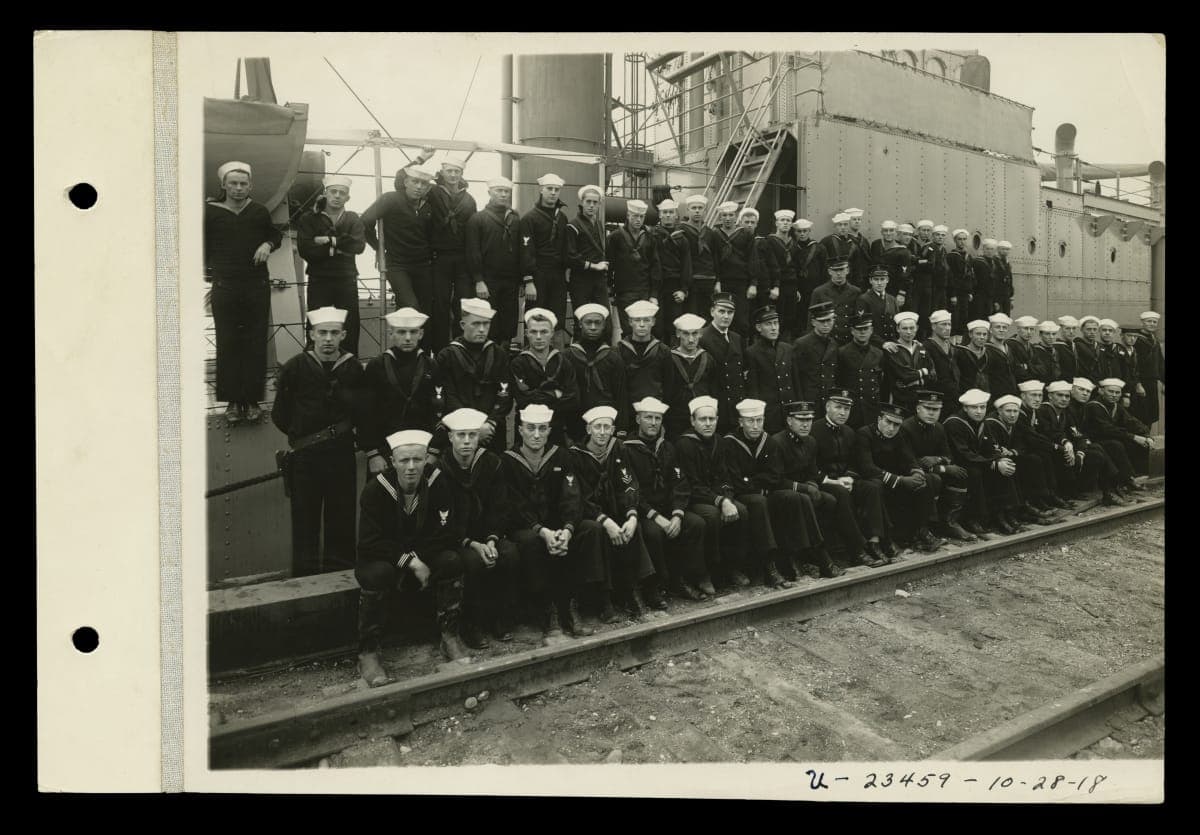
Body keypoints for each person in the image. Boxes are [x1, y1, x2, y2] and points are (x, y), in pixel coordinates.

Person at [355, 428, 468, 687]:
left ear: (426, 459)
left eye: (417, 459)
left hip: (423, 555)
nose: (410, 467)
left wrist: (419, 557)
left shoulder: (437, 482)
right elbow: (371, 542)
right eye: (404, 460)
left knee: (451, 560)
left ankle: (450, 636)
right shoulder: (375, 489)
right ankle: (368, 652)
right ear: (392, 461)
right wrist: (410, 562)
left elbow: (445, 532)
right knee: (377, 574)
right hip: (386, 558)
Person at [272, 306, 365, 577]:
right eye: (322, 333)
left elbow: (361, 409)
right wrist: (303, 434)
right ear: (311, 334)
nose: (328, 339)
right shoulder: (295, 367)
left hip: (341, 455)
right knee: (304, 520)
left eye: (334, 333)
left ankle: (341, 577)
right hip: (306, 458)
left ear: (343, 335)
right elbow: (280, 414)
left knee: (342, 517)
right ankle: (305, 579)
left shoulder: (353, 368)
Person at [502, 404, 603, 643]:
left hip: (558, 526)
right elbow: (514, 505)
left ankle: (572, 605)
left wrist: (567, 529)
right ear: (520, 430)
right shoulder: (508, 461)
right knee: (531, 542)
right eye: (531, 428)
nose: (536, 435)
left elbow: (572, 495)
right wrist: (542, 531)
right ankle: (549, 612)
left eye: (542, 429)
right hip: (527, 527)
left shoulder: (562, 456)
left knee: (590, 529)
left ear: (549, 431)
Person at [204, 160, 282, 423]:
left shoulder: (258, 211)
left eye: (243, 184)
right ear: (224, 185)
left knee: (254, 342)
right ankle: (233, 402)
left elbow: (275, 235)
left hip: (256, 286)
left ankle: (251, 401)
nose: (238, 188)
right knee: (228, 342)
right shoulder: (210, 212)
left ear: (250, 186)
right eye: (233, 183)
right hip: (225, 287)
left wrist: (267, 244)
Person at [436, 408, 521, 648]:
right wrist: (473, 544)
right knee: (473, 562)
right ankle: (471, 624)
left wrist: (492, 540)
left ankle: (500, 618)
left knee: (509, 553)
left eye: (472, 435)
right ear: (450, 437)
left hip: (488, 535)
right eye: (460, 435)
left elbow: (500, 506)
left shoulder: (491, 463)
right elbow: (443, 518)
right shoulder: (440, 469)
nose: (466, 441)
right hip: (457, 539)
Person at [571, 405, 664, 619]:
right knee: (596, 531)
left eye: (607, 427)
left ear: (613, 430)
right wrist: (605, 521)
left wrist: (632, 514)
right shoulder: (576, 455)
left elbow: (628, 483)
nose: (602, 432)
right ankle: (603, 598)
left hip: (615, 509)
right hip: (589, 515)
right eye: (598, 427)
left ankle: (633, 590)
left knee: (632, 526)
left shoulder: (618, 448)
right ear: (588, 429)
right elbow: (579, 497)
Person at [622, 397, 713, 599]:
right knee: (654, 533)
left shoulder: (668, 448)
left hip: (669, 508)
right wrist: (656, 517)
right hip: (644, 512)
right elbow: (630, 490)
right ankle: (655, 586)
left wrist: (677, 514)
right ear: (638, 419)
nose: (653, 423)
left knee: (695, 524)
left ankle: (685, 578)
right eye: (648, 417)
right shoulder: (626, 449)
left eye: (657, 418)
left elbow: (680, 483)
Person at [760, 401, 846, 578]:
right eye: (800, 420)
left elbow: (812, 472)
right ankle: (820, 559)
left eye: (809, 420)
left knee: (829, 500)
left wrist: (812, 484)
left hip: (801, 491)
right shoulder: (777, 442)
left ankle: (810, 554)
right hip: (778, 493)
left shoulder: (810, 441)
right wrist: (805, 488)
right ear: (789, 421)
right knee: (802, 499)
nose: (806, 424)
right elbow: (776, 480)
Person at [715, 398, 794, 589]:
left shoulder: (769, 441)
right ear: (740, 422)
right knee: (759, 502)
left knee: (790, 498)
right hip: (739, 495)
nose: (756, 426)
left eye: (759, 420)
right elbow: (734, 480)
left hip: (761, 491)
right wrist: (758, 483)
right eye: (750, 421)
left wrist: (751, 481)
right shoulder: (729, 443)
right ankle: (769, 567)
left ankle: (791, 558)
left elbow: (776, 475)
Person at [674, 395, 751, 588]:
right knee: (712, 516)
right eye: (702, 419)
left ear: (717, 420)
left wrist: (727, 499)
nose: (708, 423)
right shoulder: (684, 445)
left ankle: (733, 566)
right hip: (694, 499)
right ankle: (705, 572)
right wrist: (720, 501)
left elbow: (726, 478)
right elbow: (690, 485)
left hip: (717, 496)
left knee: (741, 511)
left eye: (712, 419)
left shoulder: (720, 442)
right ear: (693, 421)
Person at [810, 390, 893, 566]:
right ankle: (857, 550)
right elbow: (810, 466)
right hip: (825, 482)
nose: (843, 413)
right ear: (827, 407)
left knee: (872, 487)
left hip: (846, 480)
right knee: (841, 493)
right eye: (838, 407)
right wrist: (833, 481)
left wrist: (850, 478)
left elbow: (857, 462)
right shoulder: (814, 430)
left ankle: (874, 542)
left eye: (846, 409)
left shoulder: (849, 432)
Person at [361, 163, 437, 341]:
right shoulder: (390, 199)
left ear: (428, 188)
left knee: (425, 312)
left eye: (424, 184)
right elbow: (364, 222)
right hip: (397, 265)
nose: (419, 187)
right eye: (415, 181)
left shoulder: (428, 206)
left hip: (423, 265)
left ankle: (419, 353)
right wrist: (378, 248)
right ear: (405, 182)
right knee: (411, 307)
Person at [362, 308, 441, 477]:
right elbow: (366, 413)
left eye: (413, 332)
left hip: (422, 447)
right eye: (401, 332)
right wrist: (373, 454)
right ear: (391, 334)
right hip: (385, 449)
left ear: (421, 334)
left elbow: (439, 410)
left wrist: (434, 450)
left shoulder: (431, 366)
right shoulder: (376, 366)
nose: (407, 338)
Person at [296, 174, 367, 356]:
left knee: (349, 324)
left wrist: (329, 241)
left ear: (347, 197)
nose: (337, 196)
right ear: (325, 193)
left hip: (346, 279)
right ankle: (313, 364)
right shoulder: (309, 218)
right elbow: (306, 249)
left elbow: (358, 246)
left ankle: (349, 364)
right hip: (319, 279)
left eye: (342, 193)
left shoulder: (352, 218)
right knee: (316, 322)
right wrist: (340, 248)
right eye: (333, 191)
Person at [858, 404, 940, 553]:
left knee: (926, 480)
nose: (891, 428)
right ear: (879, 419)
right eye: (888, 422)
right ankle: (887, 540)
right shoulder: (865, 434)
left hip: (895, 480)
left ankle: (922, 531)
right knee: (877, 487)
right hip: (875, 480)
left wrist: (916, 473)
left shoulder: (898, 435)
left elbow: (908, 458)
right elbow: (867, 468)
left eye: (896, 424)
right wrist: (901, 480)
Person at [435, 298, 513, 452]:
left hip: (491, 431)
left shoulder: (499, 354)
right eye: (476, 324)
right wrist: (472, 426)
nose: (482, 329)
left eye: (486, 324)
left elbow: (505, 393)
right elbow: (447, 395)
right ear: (462, 325)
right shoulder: (447, 355)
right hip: (459, 429)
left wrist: (491, 422)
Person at [464, 176, 534, 346]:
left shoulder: (515, 219)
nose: (503, 194)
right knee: (490, 322)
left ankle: (504, 357)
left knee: (509, 323)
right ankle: (488, 357)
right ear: (490, 192)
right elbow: (473, 252)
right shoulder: (478, 219)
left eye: (506, 191)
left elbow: (522, 250)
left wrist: (523, 280)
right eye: (499, 191)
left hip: (510, 281)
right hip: (488, 281)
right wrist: (479, 280)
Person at [944, 388, 1024, 535]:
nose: (979, 411)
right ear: (965, 408)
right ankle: (973, 518)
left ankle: (1004, 514)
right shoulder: (954, 423)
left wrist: (999, 459)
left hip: (977, 461)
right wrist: (992, 463)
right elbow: (963, 454)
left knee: (1005, 465)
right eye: (974, 407)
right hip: (957, 464)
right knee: (975, 473)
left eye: (982, 407)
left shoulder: (982, 422)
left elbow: (990, 446)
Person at [1038, 379, 1127, 507]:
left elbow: (1076, 433)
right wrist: (1066, 443)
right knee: (1094, 451)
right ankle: (1107, 489)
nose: (1064, 399)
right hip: (1049, 449)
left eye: (1066, 396)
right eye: (1060, 395)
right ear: (1050, 396)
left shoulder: (1064, 412)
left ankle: (1107, 489)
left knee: (1096, 451)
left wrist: (1080, 451)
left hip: (1065, 447)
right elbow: (1049, 432)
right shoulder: (1043, 410)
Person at [900, 390, 975, 541]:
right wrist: (942, 467)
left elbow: (948, 456)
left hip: (932, 469)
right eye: (928, 408)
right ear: (918, 408)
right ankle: (923, 528)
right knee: (931, 479)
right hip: (910, 472)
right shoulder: (906, 428)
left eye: (936, 409)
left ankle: (949, 522)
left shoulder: (939, 428)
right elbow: (908, 461)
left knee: (960, 474)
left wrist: (936, 459)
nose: (932, 413)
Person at [425, 156, 477, 351]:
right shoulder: (432, 192)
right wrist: (422, 157)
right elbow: (400, 183)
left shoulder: (469, 199)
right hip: (439, 257)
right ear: (442, 172)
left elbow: (473, 230)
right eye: (449, 171)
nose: (453, 175)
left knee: (462, 304)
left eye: (457, 171)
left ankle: (460, 348)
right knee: (440, 305)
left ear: (462, 174)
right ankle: (440, 350)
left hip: (462, 258)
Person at [984, 394, 1061, 525]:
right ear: (999, 411)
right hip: (992, 461)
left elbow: (1021, 444)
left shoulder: (1013, 423)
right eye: (1008, 411)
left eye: (1015, 411)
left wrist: (1013, 452)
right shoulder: (990, 423)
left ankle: (1030, 502)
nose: (1012, 415)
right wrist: (1001, 454)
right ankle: (1010, 512)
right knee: (1010, 468)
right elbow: (989, 447)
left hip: (1009, 457)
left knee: (1032, 460)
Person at [509, 307, 579, 447]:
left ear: (552, 333)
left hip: (556, 427)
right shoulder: (518, 363)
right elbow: (524, 400)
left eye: (544, 332)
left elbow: (572, 399)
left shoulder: (563, 361)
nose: (539, 337)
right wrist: (555, 394)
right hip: (527, 428)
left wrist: (540, 395)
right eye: (534, 332)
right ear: (527, 333)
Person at [565, 303, 629, 443]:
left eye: (597, 323)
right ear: (580, 324)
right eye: (588, 322)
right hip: (576, 421)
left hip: (605, 422)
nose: (593, 327)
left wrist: (622, 427)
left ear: (604, 325)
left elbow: (621, 394)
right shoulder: (568, 356)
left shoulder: (613, 357)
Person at [520, 173, 570, 345]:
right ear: (541, 190)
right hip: (538, 276)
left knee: (557, 318)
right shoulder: (529, 218)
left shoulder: (562, 218)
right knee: (535, 316)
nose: (553, 192)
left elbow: (565, 249)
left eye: (557, 189)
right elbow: (526, 251)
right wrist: (529, 281)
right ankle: (531, 354)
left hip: (558, 277)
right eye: (549, 189)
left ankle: (556, 354)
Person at [1084, 378, 1154, 490]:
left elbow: (1132, 422)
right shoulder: (1093, 406)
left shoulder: (1116, 406)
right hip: (1094, 440)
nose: (1114, 395)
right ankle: (1129, 479)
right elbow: (1107, 429)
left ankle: (1137, 476)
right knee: (1117, 445)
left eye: (1117, 392)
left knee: (1141, 443)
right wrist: (1134, 437)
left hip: (1112, 438)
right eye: (1110, 391)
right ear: (1101, 391)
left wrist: (1147, 436)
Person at [1014, 380, 1073, 511]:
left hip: (1030, 447)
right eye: (1033, 395)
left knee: (1047, 455)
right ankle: (1037, 499)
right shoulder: (1018, 412)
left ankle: (1051, 494)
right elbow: (1031, 437)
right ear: (1023, 396)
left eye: (1040, 395)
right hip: (1018, 449)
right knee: (1037, 459)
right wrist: (1055, 446)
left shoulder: (1034, 411)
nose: (1037, 399)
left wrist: (1064, 442)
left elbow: (1048, 431)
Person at [608, 199, 661, 338]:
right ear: (628, 215)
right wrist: (609, 289)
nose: (638, 220)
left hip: (644, 292)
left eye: (641, 217)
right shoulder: (615, 237)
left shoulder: (650, 238)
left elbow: (655, 267)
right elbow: (609, 264)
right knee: (627, 330)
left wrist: (654, 294)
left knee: (644, 330)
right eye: (635, 216)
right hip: (624, 292)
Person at [618, 300, 674, 431]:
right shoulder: (619, 350)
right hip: (629, 412)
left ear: (653, 322)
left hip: (655, 412)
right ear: (630, 322)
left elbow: (669, 386)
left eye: (646, 320)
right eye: (637, 320)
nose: (642, 324)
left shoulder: (663, 351)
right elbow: (619, 387)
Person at [744, 305, 799, 434]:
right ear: (759, 328)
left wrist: (798, 409)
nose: (774, 328)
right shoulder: (752, 353)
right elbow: (753, 390)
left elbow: (796, 383)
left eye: (776, 323)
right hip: (770, 414)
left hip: (789, 411)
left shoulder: (788, 349)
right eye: (768, 324)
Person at [699, 294, 748, 433]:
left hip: (737, 406)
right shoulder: (702, 338)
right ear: (712, 312)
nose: (726, 316)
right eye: (722, 311)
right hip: (717, 406)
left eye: (730, 312)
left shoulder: (736, 338)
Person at [666, 313, 717, 438]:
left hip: (702, 417)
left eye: (694, 333)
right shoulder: (668, 359)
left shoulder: (708, 359)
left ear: (701, 334)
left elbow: (714, 390)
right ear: (678, 333)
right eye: (686, 334)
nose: (691, 339)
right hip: (675, 418)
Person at [714, 206, 762, 336]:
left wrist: (753, 284)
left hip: (741, 283)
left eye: (731, 215)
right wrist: (717, 281)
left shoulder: (745, 234)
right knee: (723, 318)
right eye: (724, 215)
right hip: (723, 282)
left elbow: (752, 259)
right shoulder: (715, 235)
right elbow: (715, 260)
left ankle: (741, 346)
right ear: (720, 217)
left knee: (741, 320)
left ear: (736, 217)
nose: (728, 218)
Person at [566, 185, 611, 320]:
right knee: (582, 319)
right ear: (582, 202)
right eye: (588, 202)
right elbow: (570, 257)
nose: (591, 205)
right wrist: (594, 266)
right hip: (581, 280)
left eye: (595, 202)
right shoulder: (573, 225)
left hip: (599, 280)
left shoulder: (598, 224)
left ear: (599, 205)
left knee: (604, 318)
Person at [651, 199, 693, 341]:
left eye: (671, 212)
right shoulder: (652, 236)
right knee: (657, 327)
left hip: (675, 287)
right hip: (657, 288)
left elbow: (686, 265)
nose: (668, 215)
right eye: (664, 212)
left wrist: (683, 290)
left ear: (676, 215)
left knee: (675, 326)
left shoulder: (682, 239)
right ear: (660, 215)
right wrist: (653, 293)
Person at [836, 312, 886, 429]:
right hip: (851, 407)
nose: (862, 332)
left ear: (871, 330)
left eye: (865, 329)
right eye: (859, 329)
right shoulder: (842, 352)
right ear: (852, 331)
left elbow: (882, 383)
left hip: (872, 407)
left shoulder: (878, 353)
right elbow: (838, 380)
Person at [760, 209, 801, 340]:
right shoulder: (769, 241)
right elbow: (768, 266)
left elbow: (795, 267)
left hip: (791, 286)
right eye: (782, 220)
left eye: (788, 221)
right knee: (777, 316)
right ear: (776, 223)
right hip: (776, 286)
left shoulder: (794, 244)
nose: (785, 223)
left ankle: (786, 345)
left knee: (790, 317)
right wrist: (773, 286)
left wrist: (796, 288)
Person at [882, 311, 935, 413]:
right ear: (898, 329)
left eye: (912, 328)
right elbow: (904, 375)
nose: (909, 332)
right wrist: (923, 372)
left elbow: (933, 374)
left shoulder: (920, 348)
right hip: (900, 400)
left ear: (917, 328)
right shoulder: (893, 349)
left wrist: (918, 379)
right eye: (905, 328)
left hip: (921, 399)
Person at [679, 194, 722, 316]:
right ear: (688, 210)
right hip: (691, 281)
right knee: (692, 315)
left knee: (708, 314)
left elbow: (715, 258)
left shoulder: (710, 233)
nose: (697, 211)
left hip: (708, 280)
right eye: (694, 208)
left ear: (705, 211)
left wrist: (718, 281)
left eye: (700, 208)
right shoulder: (681, 231)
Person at [793, 301, 839, 406]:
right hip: (809, 400)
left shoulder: (833, 344)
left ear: (833, 321)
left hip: (828, 400)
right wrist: (800, 402)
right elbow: (796, 377)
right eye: (822, 321)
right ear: (813, 322)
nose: (826, 325)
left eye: (829, 320)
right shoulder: (802, 344)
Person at [808, 256, 860, 345]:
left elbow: (858, 320)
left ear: (847, 270)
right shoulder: (819, 292)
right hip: (827, 341)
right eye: (835, 270)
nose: (838, 273)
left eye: (842, 270)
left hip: (848, 341)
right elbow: (811, 321)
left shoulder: (856, 292)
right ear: (829, 271)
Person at [1131, 310, 1164, 429]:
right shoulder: (1136, 340)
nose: (1152, 324)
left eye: (1154, 322)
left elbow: (1160, 363)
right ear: (1142, 323)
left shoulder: (1154, 340)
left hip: (1152, 383)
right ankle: (1140, 438)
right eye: (1149, 321)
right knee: (1140, 413)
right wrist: (1137, 383)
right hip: (1140, 382)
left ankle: (1147, 436)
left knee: (1150, 413)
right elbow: (1132, 364)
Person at [871, 220, 914, 310]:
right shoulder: (876, 245)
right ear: (881, 232)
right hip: (879, 287)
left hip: (895, 289)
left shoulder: (903, 251)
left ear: (896, 233)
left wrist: (901, 294)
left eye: (891, 230)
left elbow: (906, 276)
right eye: (885, 230)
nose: (888, 233)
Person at [909, 220, 942, 336]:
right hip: (913, 284)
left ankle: (922, 337)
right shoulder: (912, 243)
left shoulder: (932, 246)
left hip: (927, 285)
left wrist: (917, 261)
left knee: (925, 313)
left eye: (928, 230)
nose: (926, 233)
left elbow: (931, 265)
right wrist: (923, 262)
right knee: (913, 311)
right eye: (924, 230)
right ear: (918, 231)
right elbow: (909, 260)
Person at [923, 310, 962, 408]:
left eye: (949, 324)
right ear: (933, 326)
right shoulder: (927, 347)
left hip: (954, 397)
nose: (948, 328)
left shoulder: (952, 347)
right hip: (937, 398)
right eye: (944, 324)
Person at [811, 213, 856, 294]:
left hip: (850, 281)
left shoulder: (853, 242)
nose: (843, 227)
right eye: (840, 225)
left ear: (849, 226)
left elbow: (857, 265)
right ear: (835, 226)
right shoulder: (826, 241)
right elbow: (821, 264)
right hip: (831, 281)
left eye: (845, 224)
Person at [857, 266, 900, 345]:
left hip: (892, 342)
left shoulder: (892, 299)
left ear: (887, 280)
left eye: (882, 279)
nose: (879, 283)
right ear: (870, 281)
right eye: (876, 279)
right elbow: (863, 328)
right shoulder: (864, 299)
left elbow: (897, 325)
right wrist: (882, 343)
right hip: (874, 344)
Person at [1097, 319, 1139, 401]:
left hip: (1118, 390)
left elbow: (1126, 373)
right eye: (1104, 330)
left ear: (1114, 333)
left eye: (1110, 330)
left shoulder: (1120, 349)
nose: (1107, 333)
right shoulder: (1096, 348)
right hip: (1100, 390)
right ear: (1099, 331)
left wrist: (1126, 394)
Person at [945, 229, 974, 337]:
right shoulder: (951, 256)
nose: (962, 242)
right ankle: (952, 341)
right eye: (959, 239)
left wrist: (970, 291)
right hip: (955, 293)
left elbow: (970, 275)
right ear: (955, 240)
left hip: (965, 293)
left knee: (963, 318)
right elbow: (950, 276)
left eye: (964, 239)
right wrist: (952, 294)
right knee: (954, 318)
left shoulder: (968, 257)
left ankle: (959, 341)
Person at [984, 313, 1020, 398]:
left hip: (1011, 393)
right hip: (994, 394)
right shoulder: (986, 349)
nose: (1001, 330)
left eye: (1004, 327)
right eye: (998, 327)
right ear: (990, 330)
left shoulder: (1009, 348)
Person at [791, 218, 819, 321]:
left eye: (805, 231)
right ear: (795, 232)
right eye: (799, 231)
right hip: (798, 288)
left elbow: (824, 270)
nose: (802, 234)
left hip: (814, 287)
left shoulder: (819, 248)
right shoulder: (792, 248)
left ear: (809, 231)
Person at [955, 319, 992, 394]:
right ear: (970, 334)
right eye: (978, 334)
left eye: (984, 334)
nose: (982, 337)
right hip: (964, 394)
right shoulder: (960, 353)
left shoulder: (989, 354)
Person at [844, 207, 872, 289]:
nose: (857, 221)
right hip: (850, 279)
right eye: (854, 219)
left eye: (859, 219)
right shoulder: (845, 240)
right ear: (848, 222)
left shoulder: (864, 241)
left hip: (864, 280)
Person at [970, 239, 997, 321]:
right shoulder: (977, 262)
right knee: (978, 318)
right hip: (979, 295)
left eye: (992, 249)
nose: (989, 251)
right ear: (983, 249)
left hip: (990, 296)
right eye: (987, 249)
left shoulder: (994, 263)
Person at [1075, 315, 1103, 385]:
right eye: (1088, 329)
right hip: (1082, 382)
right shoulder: (1076, 345)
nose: (1092, 332)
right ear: (1082, 330)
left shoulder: (1100, 346)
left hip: (1097, 382)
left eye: (1095, 329)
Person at [1054, 315, 1082, 382]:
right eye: (1067, 328)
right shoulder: (1056, 347)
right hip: (1061, 384)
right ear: (1060, 329)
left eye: (1074, 328)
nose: (1071, 331)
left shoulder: (1075, 345)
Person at [995, 241, 1015, 316]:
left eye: (1007, 249)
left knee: (1006, 317)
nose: (1005, 251)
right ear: (998, 249)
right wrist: (995, 300)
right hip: (998, 295)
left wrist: (1011, 298)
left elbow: (1010, 281)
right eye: (1003, 249)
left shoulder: (1007, 263)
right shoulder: (995, 261)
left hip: (1006, 296)